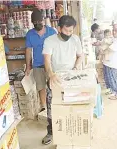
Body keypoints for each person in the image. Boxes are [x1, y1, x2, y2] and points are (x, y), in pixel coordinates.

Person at [42, 15, 83, 145]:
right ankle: (51, 132)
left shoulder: (75, 39)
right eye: (66, 31)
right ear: (59, 28)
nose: (69, 34)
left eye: (71, 31)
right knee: (52, 107)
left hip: (70, 77)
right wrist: (51, 74)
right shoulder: (50, 41)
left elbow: (80, 56)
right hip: (55, 77)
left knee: (70, 106)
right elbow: (47, 61)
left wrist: (76, 67)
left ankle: (69, 131)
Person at [25, 9, 57, 112]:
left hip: (51, 64)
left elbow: (57, 48)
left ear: (43, 20)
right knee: (41, 87)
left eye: (39, 22)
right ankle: (44, 107)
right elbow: (29, 50)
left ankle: (55, 104)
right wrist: (28, 66)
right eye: (35, 23)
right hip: (37, 65)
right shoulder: (30, 34)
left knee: (54, 85)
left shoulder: (52, 32)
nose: (37, 24)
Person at [103, 24, 117, 99]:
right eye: (113, 30)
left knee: (114, 79)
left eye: (116, 30)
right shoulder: (113, 38)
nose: (114, 32)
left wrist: (102, 50)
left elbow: (110, 49)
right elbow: (106, 42)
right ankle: (112, 90)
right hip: (108, 62)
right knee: (108, 78)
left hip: (113, 63)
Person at [100, 29, 113, 95]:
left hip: (109, 61)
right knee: (106, 75)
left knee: (109, 75)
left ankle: (111, 89)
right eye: (106, 35)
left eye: (108, 35)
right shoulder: (104, 40)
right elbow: (102, 49)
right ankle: (109, 87)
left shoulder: (111, 40)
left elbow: (105, 47)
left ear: (110, 34)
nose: (107, 36)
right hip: (105, 60)